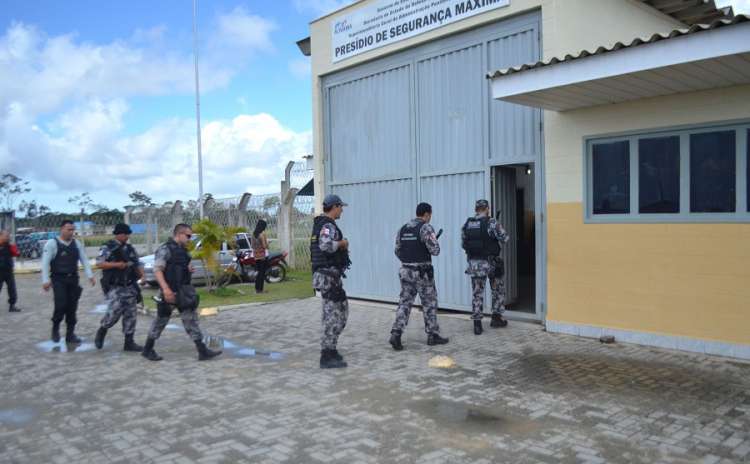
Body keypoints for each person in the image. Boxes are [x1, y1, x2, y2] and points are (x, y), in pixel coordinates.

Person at [141, 223, 221, 362]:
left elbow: (183, 266)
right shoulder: (165, 249)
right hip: (169, 292)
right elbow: (158, 270)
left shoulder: (183, 251)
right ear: (179, 234)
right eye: (188, 236)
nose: (190, 239)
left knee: (191, 320)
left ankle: (202, 351)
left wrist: (188, 269)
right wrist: (166, 290)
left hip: (183, 291)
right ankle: (147, 349)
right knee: (161, 321)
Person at [389, 203, 449, 351]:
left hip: (406, 270)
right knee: (429, 302)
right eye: (430, 215)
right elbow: (435, 250)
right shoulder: (426, 227)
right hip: (422, 273)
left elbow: (397, 250)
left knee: (404, 303)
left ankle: (396, 334)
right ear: (427, 214)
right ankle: (432, 335)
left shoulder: (403, 228)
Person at [310, 194, 351, 369]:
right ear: (334, 207)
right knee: (333, 315)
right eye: (340, 206)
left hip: (329, 276)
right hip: (328, 277)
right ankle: (326, 355)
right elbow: (325, 246)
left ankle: (330, 349)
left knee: (339, 312)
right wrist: (342, 243)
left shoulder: (322, 224)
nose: (342, 210)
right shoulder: (327, 225)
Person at [41, 220, 95, 343]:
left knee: (72, 307)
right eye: (68, 229)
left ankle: (70, 334)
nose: (71, 232)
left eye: (72, 229)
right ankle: (55, 329)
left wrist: (90, 275)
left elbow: (84, 260)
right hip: (58, 279)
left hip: (73, 279)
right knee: (60, 305)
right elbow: (45, 263)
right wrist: (45, 280)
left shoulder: (76, 244)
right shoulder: (52, 244)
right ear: (62, 229)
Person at [461, 199, 510, 335]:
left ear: (476, 209)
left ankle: (477, 325)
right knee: (498, 290)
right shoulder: (491, 222)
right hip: (491, 263)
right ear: (487, 208)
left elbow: (463, 244)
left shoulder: (467, 224)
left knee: (477, 294)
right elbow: (505, 238)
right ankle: (496, 318)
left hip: (474, 264)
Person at [94, 224, 144, 352]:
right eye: (125, 234)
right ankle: (102, 330)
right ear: (118, 234)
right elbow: (99, 263)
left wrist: (142, 276)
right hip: (115, 287)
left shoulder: (130, 249)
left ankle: (129, 342)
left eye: (128, 234)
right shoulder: (108, 247)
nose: (127, 237)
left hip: (130, 286)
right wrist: (117, 265)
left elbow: (137, 264)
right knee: (113, 313)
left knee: (131, 315)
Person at [0, 231, 20, 312]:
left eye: (8, 236)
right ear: (1, 236)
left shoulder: (9, 246)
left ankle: (12, 305)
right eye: (6, 236)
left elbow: (17, 254)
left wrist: (13, 247)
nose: (8, 237)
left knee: (12, 289)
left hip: (8, 271)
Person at [251, 219, 269, 294]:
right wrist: (268, 243)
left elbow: (252, 246)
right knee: (262, 273)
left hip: (256, 255)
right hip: (262, 256)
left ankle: (256, 289)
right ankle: (260, 290)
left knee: (258, 273)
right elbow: (265, 246)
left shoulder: (253, 234)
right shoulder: (262, 234)